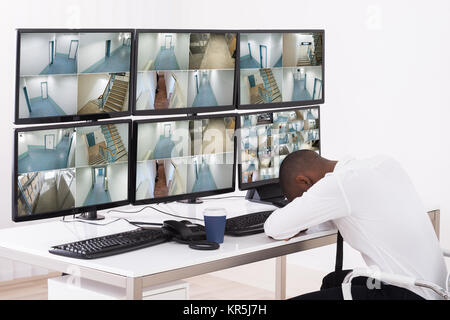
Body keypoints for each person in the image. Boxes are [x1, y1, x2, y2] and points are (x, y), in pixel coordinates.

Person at [264, 150, 447, 300]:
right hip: (438, 290)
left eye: (299, 198)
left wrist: (295, 220)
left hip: (407, 294)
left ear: (304, 181)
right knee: (332, 282)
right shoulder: (383, 163)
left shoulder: (339, 184)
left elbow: (275, 228)